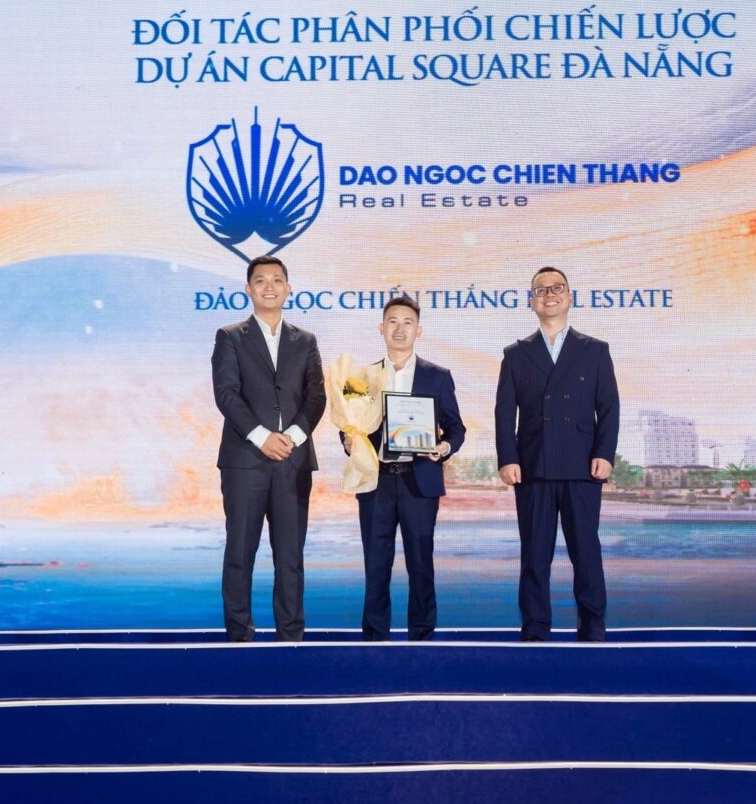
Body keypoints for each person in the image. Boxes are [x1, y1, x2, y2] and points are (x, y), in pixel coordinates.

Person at [494, 266, 619, 642]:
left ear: (569, 297)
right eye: (541, 290)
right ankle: (535, 627)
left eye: (556, 288)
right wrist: (507, 458)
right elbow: (504, 413)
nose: (549, 294)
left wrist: (605, 453)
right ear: (531, 302)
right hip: (533, 466)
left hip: (583, 466)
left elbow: (608, 407)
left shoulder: (595, 350)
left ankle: (593, 627)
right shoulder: (516, 354)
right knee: (534, 555)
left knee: (586, 552)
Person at [211, 255, 326, 643]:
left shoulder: (305, 341)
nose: (269, 286)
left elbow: (316, 396)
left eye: (277, 280)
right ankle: (239, 637)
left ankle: (290, 637)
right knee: (239, 552)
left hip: (293, 460)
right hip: (245, 461)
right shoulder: (230, 337)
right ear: (248, 289)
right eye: (261, 280)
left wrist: (292, 436)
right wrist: (262, 436)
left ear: (288, 289)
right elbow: (226, 394)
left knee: (290, 556)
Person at [346, 296, 465, 641]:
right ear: (381, 328)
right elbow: (348, 425)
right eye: (393, 322)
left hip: (419, 482)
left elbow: (456, 429)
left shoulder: (438, 376)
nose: (400, 329)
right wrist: (348, 441)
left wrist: (444, 448)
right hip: (376, 482)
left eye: (407, 322)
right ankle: (374, 637)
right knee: (375, 563)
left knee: (421, 562)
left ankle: (422, 636)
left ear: (418, 330)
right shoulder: (360, 377)